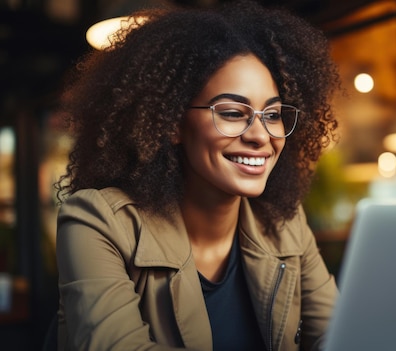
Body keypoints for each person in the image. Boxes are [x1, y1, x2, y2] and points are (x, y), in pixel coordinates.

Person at [53, 1, 340, 350]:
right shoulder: (97, 221)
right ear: (172, 123)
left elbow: (338, 337)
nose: (261, 136)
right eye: (234, 113)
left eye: (273, 114)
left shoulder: (284, 224)